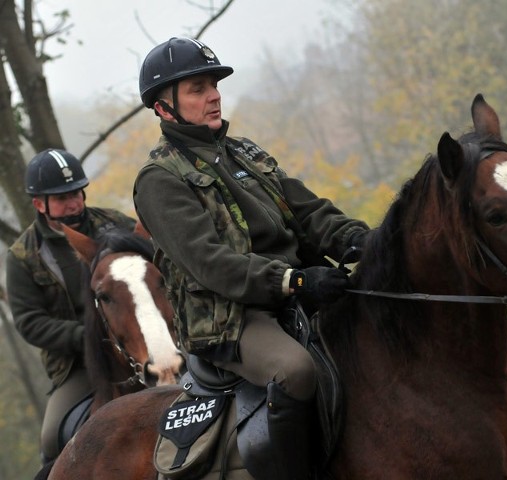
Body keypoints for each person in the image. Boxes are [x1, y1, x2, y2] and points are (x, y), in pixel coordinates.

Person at [134, 37, 369, 479]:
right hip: (230, 316)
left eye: (215, 85)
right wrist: (294, 281)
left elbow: (308, 210)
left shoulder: (245, 152)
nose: (214, 95)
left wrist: (358, 238)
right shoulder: (159, 180)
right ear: (164, 108)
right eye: (198, 88)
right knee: (295, 370)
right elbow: (211, 263)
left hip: (294, 289)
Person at [6, 149, 137, 463]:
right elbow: (29, 322)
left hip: (137, 338)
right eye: (63, 198)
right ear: (40, 204)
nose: (75, 203)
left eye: (77, 193)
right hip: (79, 363)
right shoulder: (22, 256)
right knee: (52, 439)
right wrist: (89, 336)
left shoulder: (118, 224)